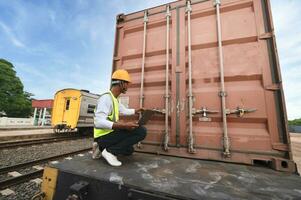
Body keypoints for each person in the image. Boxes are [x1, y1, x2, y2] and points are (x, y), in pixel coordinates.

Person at [92, 69, 147, 166]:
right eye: (127, 83)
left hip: (108, 135)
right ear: (120, 83)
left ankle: (100, 148)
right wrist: (123, 126)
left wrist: (137, 110)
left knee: (129, 150)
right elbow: (98, 122)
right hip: (103, 136)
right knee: (141, 131)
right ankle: (110, 152)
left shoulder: (115, 99)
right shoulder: (106, 98)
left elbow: (124, 110)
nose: (128, 86)